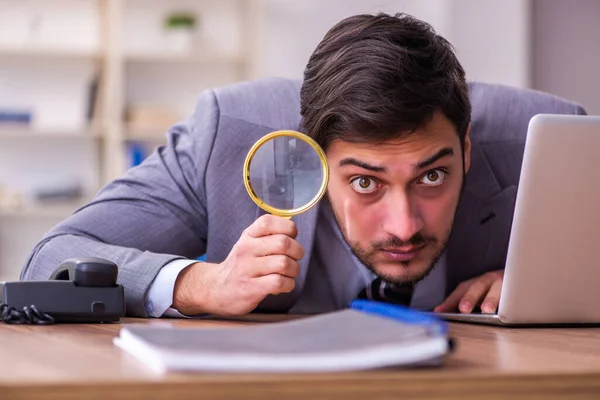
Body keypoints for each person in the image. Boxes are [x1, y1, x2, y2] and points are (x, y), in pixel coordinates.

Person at [20, 13, 585, 318]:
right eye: (365, 181)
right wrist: (200, 283)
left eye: (431, 175)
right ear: (311, 157)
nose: (405, 225)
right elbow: (51, 259)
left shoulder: (542, 136)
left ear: (464, 147)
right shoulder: (229, 132)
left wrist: (571, 280)